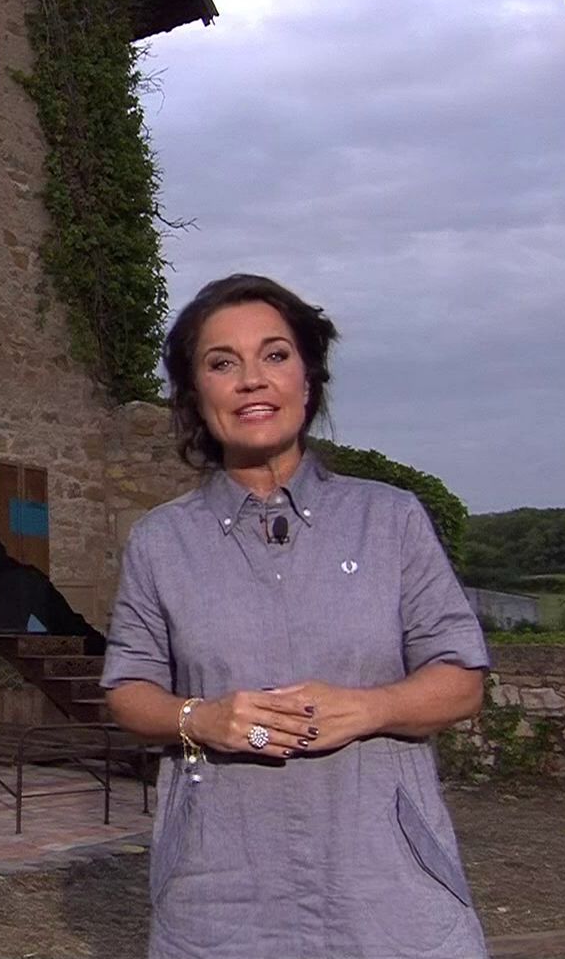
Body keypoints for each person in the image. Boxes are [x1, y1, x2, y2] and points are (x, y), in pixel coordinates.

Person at [102, 274, 490, 958]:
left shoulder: (390, 519)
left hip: (386, 887)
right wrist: (203, 719)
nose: (252, 379)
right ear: (194, 395)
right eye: (222, 363)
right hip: (221, 889)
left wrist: (369, 708)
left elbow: (461, 680)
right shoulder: (160, 541)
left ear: (308, 381)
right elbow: (128, 691)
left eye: (275, 355)